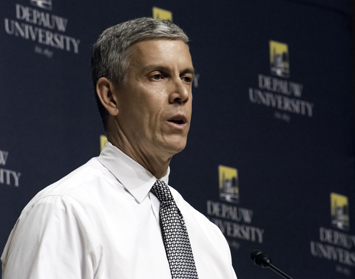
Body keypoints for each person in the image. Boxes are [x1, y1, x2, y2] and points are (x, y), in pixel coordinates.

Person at [1, 17, 237, 279]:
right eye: (158, 76)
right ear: (110, 96)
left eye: (187, 77)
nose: (181, 93)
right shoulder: (65, 211)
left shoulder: (209, 239)